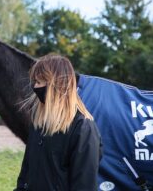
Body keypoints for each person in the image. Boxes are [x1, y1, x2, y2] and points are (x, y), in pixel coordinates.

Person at [14, 54, 102, 191]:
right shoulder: (39, 124)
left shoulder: (83, 128)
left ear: (55, 84)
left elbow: (84, 185)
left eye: (39, 81)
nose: (35, 87)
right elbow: (26, 175)